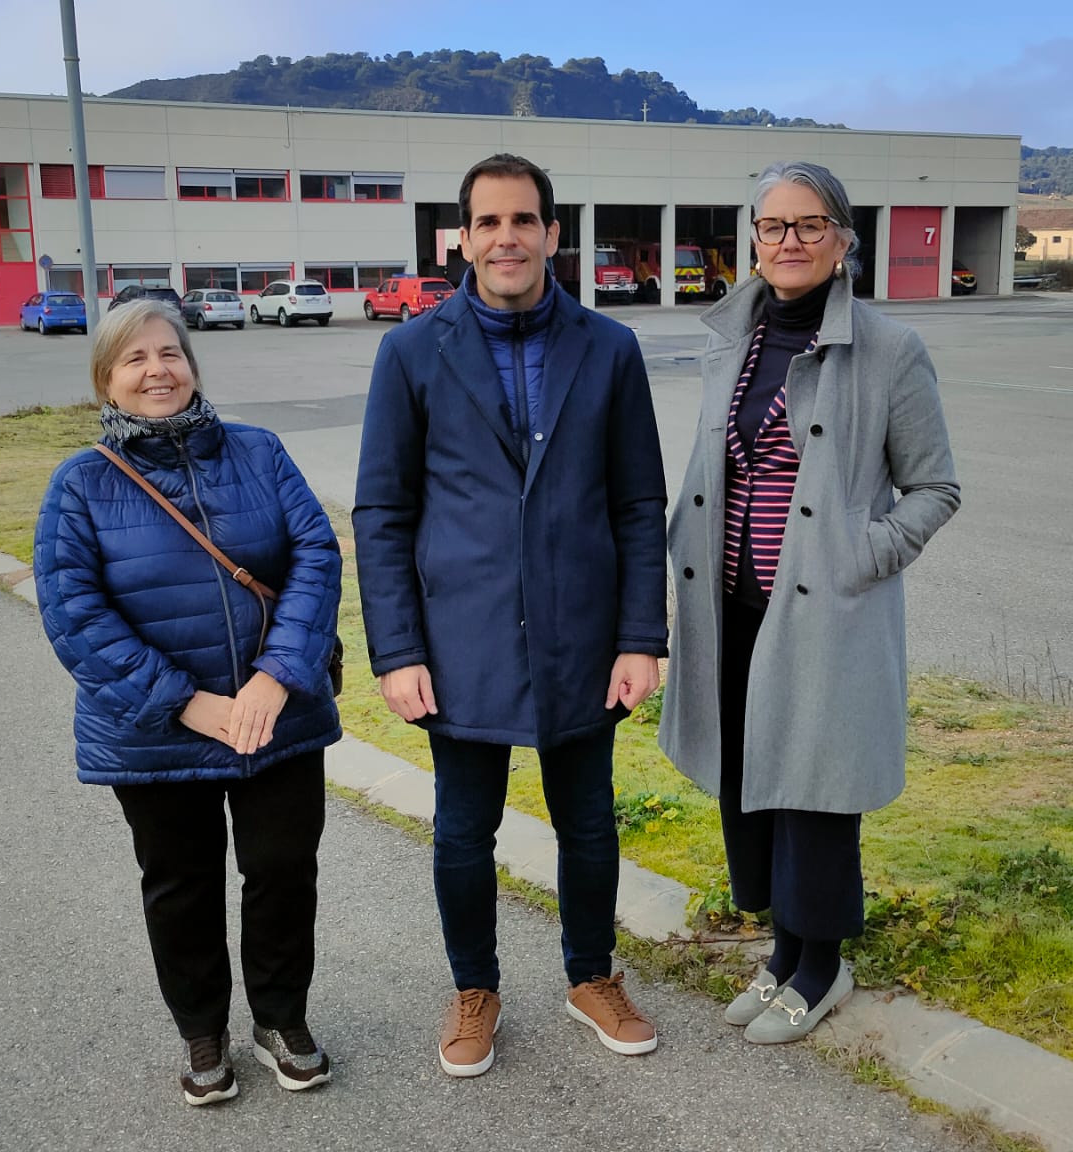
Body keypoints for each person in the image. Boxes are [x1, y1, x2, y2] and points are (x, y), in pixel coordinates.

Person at [354, 153, 670, 1078]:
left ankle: (591, 977)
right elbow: (384, 512)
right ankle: (475, 988)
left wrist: (640, 636)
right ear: (462, 237)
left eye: (523, 220)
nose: (506, 238)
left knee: (590, 823)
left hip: (582, 635)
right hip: (462, 641)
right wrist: (398, 648)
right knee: (462, 830)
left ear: (552, 234)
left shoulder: (608, 349)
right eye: (488, 223)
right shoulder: (412, 351)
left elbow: (637, 504)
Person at [658, 161, 961, 1044]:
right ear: (751, 239)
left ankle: (822, 965)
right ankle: (782, 949)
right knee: (753, 781)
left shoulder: (891, 349)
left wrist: (866, 553)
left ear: (843, 240)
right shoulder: (733, 340)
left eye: (809, 225)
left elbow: (935, 486)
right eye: (772, 226)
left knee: (816, 791)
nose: (788, 242)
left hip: (826, 609)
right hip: (733, 607)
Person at [33, 299, 343, 1106]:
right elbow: (74, 612)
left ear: (193, 366)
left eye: (169, 353)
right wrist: (186, 704)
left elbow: (315, 553)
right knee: (181, 883)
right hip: (157, 732)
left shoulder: (259, 452)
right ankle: (202, 1030)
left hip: (277, 716)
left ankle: (280, 1019)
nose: (157, 371)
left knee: (281, 872)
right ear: (107, 378)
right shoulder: (82, 484)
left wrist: (276, 676)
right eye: (134, 360)